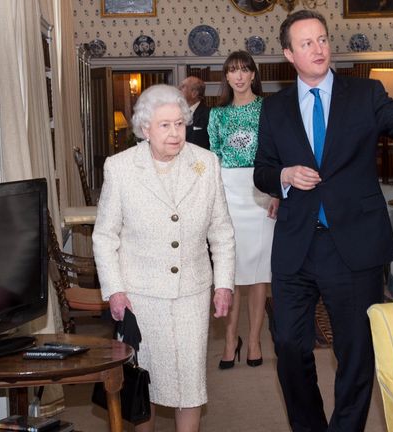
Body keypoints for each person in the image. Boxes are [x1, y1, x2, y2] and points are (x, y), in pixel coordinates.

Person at [253, 10, 393, 432]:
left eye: (322, 39)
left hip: (353, 245)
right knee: (289, 346)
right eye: (306, 43)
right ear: (288, 54)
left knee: (355, 352)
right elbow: (262, 169)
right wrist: (284, 175)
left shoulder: (366, 93)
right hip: (297, 244)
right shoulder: (275, 108)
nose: (318, 49)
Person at [93, 84, 235, 432]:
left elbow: (222, 231)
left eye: (180, 124)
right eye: (164, 126)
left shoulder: (206, 163)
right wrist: (114, 290)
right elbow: (105, 235)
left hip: (192, 290)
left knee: (190, 384)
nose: (175, 133)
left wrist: (225, 284)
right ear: (145, 129)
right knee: (146, 383)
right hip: (141, 295)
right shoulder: (120, 168)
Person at [208, 50, 279, 370]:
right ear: (226, 77)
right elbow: (212, 161)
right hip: (227, 195)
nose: (238, 76)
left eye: (244, 70)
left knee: (259, 274)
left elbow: (278, 153)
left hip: (260, 192)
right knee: (231, 273)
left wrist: (277, 191)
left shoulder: (269, 109)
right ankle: (229, 339)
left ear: (253, 75)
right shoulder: (216, 115)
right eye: (232, 71)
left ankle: (253, 341)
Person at [180, 76, 212, 150]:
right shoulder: (175, 114)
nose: (179, 89)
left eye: (183, 87)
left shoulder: (209, 115)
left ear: (194, 93)